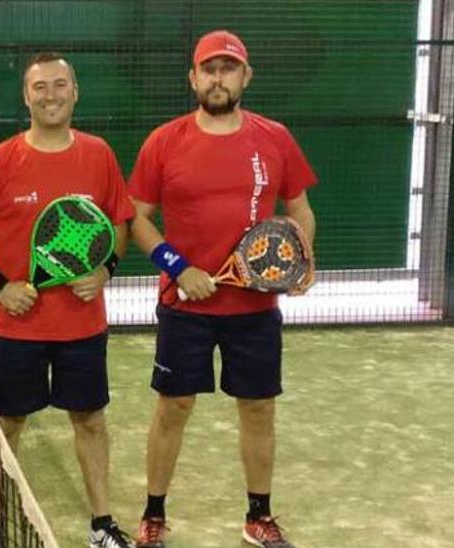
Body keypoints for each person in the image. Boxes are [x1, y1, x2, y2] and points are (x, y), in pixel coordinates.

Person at [127, 30, 318, 548]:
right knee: (174, 407)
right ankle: (153, 516)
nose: (217, 78)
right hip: (184, 305)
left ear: (245, 77)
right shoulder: (163, 142)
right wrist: (177, 266)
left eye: (227, 68)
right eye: (208, 69)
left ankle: (258, 516)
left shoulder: (275, 138)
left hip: (254, 308)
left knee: (258, 408)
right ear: (193, 78)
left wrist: (299, 260)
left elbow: (298, 210)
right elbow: (137, 219)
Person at [0, 52, 137, 548]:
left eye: (60, 85)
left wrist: (106, 270)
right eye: (40, 87)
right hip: (17, 329)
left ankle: (102, 524)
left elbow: (118, 222)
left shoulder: (99, 155)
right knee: (8, 423)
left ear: (75, 92)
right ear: (25, 96)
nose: (50, 95)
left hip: (83, 327)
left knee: (91, 421)